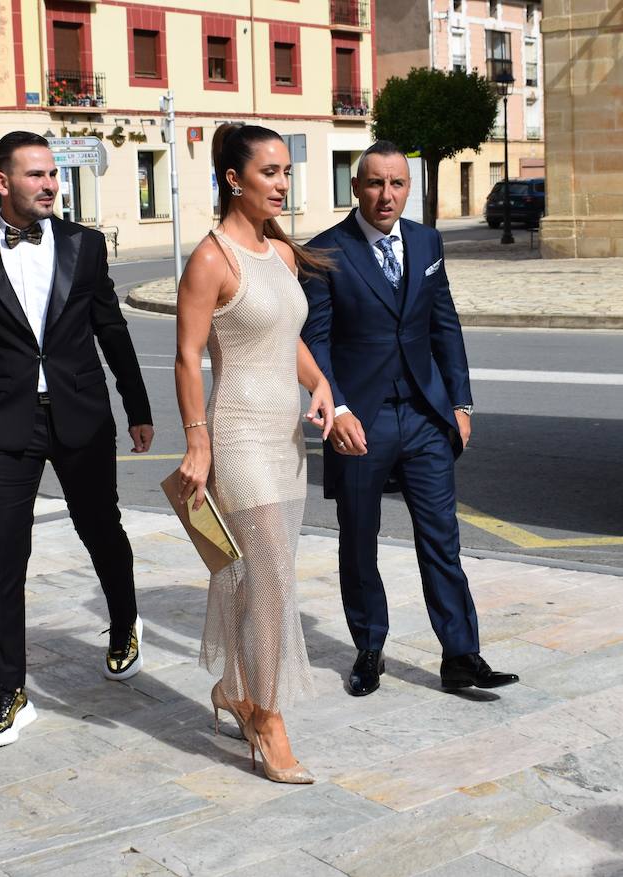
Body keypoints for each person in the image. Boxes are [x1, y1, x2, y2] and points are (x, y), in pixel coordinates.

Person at [0, 131, 154, 748]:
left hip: (81, 414)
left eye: (53, 174)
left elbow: (111, 327)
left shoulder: (85, 244)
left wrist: (137, 405)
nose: (51, 184)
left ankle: (124, 620)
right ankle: (8, 691)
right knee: (4, 554)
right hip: (7, 421)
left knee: (101, 528)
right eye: (37, 175)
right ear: (3, 183)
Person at [300, 141, 519, 697]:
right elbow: (315, 342)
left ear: (408, 188)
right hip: (360, 422)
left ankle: (461, 655)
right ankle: (369, 648)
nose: (386, 195)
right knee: (359, 540)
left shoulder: (426, 241)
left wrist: (460, 404)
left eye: (397, 184)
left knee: (442, 539)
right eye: (375, 183)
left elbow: (445, 325)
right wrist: (338, 408)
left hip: (425, 415)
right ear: (356, 187)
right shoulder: (325, 252)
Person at [174, 123, 335, 784]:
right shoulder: (211, 259)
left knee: (259, 578)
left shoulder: (281, 253)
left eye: (284, 172)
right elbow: (187, 355)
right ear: (233, 179)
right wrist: (197, 439)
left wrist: (321, 382)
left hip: (285, 437)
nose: (281, 183)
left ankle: (236, 693)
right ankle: (267, 719)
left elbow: (284, 336)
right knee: (269, 577)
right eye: (268, 172)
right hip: (237, 433)